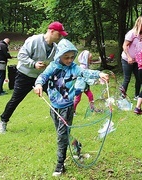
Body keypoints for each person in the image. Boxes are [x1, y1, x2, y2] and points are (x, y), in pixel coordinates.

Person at [33, 38, 109, 177]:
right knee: (63, 134)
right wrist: (38, 84)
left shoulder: (74, 68)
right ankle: (77, 146)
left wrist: (99, 74)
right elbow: (43, 76)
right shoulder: (53, 66)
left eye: (72, 57)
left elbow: (85, 72)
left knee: (61, 136)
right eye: (66, 57)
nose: (69, 60)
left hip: (67, 108)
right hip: (54, 107)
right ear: (59, 56)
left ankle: (60, 165)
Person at [0, 21, 68, 134]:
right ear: (52, 31)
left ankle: (61, 122)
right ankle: (3, 121)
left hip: (42, 77)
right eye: (59, 34)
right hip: (24, 75)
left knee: (55, 96)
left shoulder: (55, 48)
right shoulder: (34, 40)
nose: (61, 36)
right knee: (15, 100)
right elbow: (21, 55)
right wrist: (33, 64)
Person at [120, 16, 142, 100]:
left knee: (139, 78)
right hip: (127, 59)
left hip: (137, 61)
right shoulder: (132, 33)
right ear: (138, 24)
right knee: (127, 78)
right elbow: (124, 46)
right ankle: (122, 96)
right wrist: (128, 57)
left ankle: (137, 95)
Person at [73, 50, 95, 115]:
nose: (90, 61)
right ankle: (72, 111)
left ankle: (92, 108)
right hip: (80, 87)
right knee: (77, 99)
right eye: (89, 60)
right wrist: (94, 81)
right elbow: (85, 78)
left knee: (90, 96)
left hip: (85, 86)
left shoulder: (86, 66)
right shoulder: (82, 67)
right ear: (85, 59)